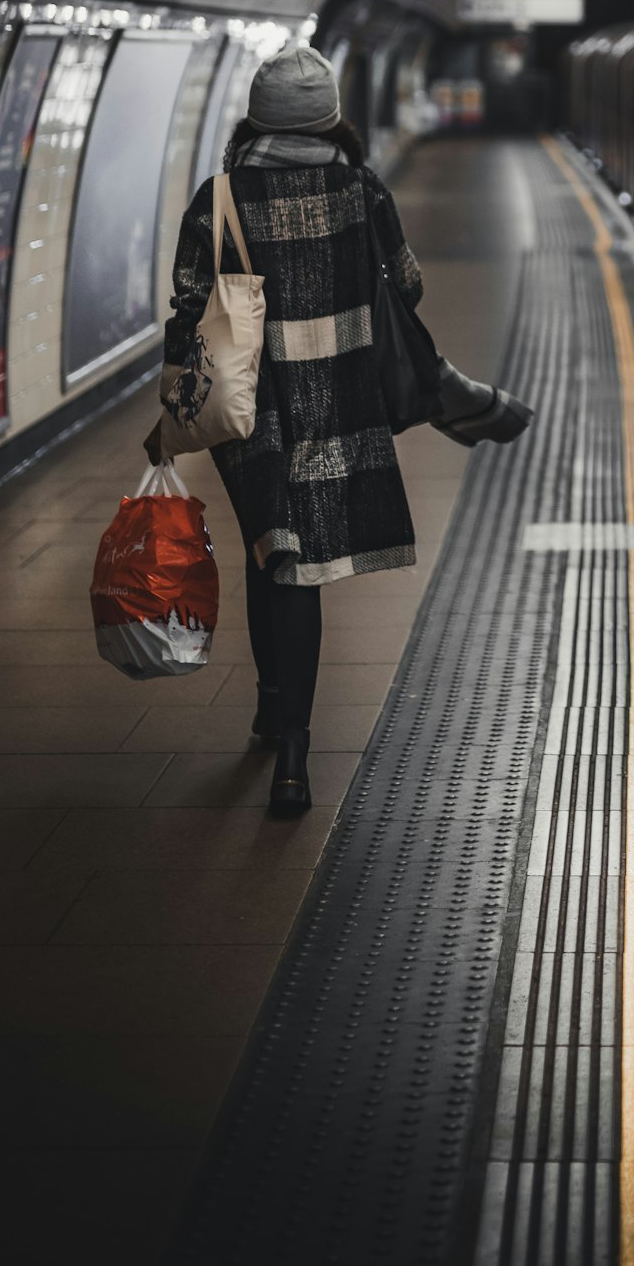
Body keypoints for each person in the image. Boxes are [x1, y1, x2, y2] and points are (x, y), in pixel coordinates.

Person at [147, 42, 529, 816]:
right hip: (339, 404)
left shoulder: (219, 196)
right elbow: (409, 286)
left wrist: (177, 402)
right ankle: (292, 751)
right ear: (330, 119)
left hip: (250, 413)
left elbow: (188, 306)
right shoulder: (361, 190)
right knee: (304, 568)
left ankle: (272, 708)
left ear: (256, 116)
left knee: (271, 552)